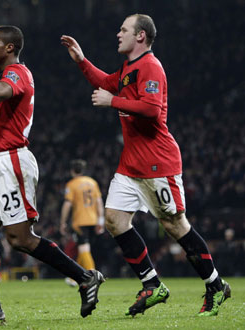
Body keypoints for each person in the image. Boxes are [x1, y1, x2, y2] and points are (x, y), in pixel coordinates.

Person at [61, 14, 231, 317]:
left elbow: (151, 110)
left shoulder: (150, 66)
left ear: (140, 36)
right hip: (131, 165)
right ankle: (152, 284)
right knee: (114, 220)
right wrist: (82, 61)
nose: (118, 34)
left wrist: (112, 101)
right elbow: (105, 82)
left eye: (124, 30)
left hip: (158, 163)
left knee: (175, 226)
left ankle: (215, 285)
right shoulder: (129, 67)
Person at [0, 25, 104, 322]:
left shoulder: (17, 72)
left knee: (19, 238)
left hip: (12, 161)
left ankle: (85, 277)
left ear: (9, 48)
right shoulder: (3, 79)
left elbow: (1, 93)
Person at [60, 159, 105, 286]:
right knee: (83, 248)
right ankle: (75, 277)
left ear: (72, 170)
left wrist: (63, 222)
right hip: (94, 219)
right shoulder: (93, 183)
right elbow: (99, 202)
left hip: (80, 221)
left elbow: (67, 204)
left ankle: (92, 274)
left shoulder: (72, 184)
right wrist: (101, 220)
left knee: (83, 247)